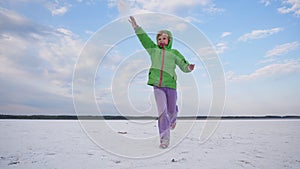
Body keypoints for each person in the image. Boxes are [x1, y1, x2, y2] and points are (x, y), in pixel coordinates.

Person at [129, 16, 195, 149]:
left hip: (170, 85)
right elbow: (144, 39)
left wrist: (188, 68)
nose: (161, 40)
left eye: (164, 38)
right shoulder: (153, 50)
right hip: (157, 86)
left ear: (169, 40)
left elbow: (183, 64)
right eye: (159, 38)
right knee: (162, 112)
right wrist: (137, 28)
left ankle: (174, 116)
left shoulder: (174, 53)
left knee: (171, 110)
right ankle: (164, 138)